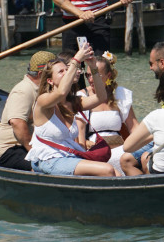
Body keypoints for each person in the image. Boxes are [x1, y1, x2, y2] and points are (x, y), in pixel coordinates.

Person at [25, 44, 118, 176]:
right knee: (107, 170)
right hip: (49, 159)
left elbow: (101, 97)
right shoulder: (43, 100)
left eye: (67, 70)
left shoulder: (72, 102)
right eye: (61, 72)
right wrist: (77, 59)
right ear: (50, 81)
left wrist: (93, 67)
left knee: (116, 173)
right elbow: (61, 92)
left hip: (68, 158)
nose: (67, 73)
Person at [0, 51, 56, 171]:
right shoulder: (24, 90)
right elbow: (17, 123)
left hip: (23, 146)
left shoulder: (42, 90)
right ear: (41, 74)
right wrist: (35, 153)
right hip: (11, 150)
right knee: (44, 167)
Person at [76, 51, 140, 175]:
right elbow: (80, 138)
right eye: (88, 75)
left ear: (108, 75)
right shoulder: (82, 96)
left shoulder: (120, 94)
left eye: (96, 75)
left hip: (120, 149)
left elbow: (134, 127)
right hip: (96, 151)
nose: (91, 79)